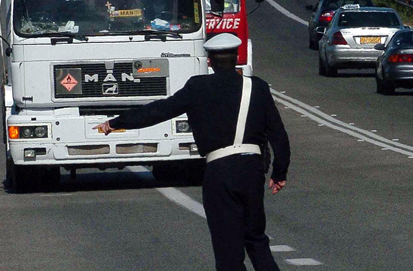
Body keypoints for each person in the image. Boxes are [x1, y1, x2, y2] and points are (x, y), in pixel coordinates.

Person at [94, 33, 290, 271]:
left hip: (219, 171)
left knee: (228, 248)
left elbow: (159, 111)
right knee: (256, 239)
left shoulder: (198, 87)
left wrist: (117, 121)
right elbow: (278, 134)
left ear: (209, 61)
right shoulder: (257, 87)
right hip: (251, 170)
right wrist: (279, 173)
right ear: (237, 58)